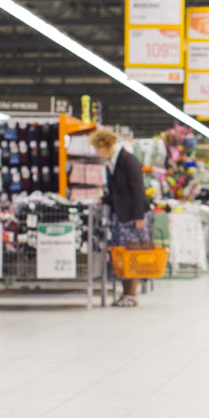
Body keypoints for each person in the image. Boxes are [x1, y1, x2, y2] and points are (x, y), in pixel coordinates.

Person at [89, 129, 149, 307]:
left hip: (132, 216)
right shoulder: (112, 162)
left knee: (133, 255)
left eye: (97, 149)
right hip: (120, 216)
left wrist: (139, 217)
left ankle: (132, 294)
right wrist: (103, 199)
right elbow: (117, 191)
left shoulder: (128, 160)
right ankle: (125, 294)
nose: (96, 153)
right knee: (121, 256)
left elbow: (138, 189)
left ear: (104, 145)